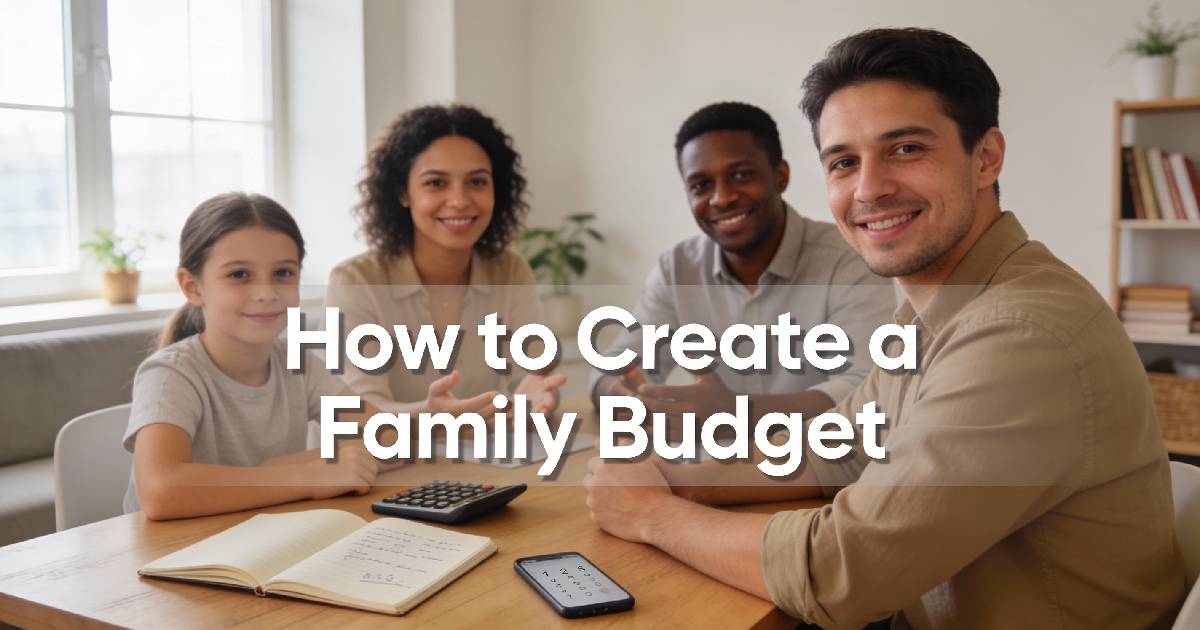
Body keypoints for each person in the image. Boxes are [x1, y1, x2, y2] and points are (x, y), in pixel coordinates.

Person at [583, 28, 1185, 628]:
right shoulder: (938, 311)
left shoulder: (1020, 331)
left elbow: (846, 573)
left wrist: (651, 515)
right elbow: (834, 451)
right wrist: (668, 477)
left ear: (986, 157)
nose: (868, 189)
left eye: (905, 149)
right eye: (845, 162)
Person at [590, 102, 893, 445]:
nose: (722, 198)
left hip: (829, 468)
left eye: (740, 175)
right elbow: (610, 368)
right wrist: (623, 391)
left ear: (780, 177)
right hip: (716, 469)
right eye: (701, 185)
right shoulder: (677, 269)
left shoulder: (848, 258)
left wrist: (741, 414)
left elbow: (868, 384)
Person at [122, 192, 401, 520]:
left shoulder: (299, 364)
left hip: (263, 540)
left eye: (283, 273)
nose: (266, 293)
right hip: (171, 554)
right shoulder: (171, 374)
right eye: (239, 274)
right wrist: (306, 474)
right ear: (192, 286)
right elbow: (161, 491)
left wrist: (284, 467)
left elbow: (389, 439)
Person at [328, 104, 564, 420]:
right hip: (388, 466)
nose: (459, 200)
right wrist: (432, 417)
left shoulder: (510, 270)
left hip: (478, 462)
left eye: (477, 182)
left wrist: (539, 397)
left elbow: (531, 381)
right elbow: (358, 412)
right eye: (436, 183)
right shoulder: (356, 282)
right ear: (403, 192)